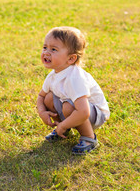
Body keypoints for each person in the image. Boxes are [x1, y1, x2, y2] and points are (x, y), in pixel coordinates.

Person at [36, 27, 110, 155]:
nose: (47, 53)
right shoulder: (53, 75)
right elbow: (41, 97)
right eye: (45, 48)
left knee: (67, 106)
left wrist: (64, 124)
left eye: (53, 49)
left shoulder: (75, 77)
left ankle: (89, 138)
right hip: (77, 109)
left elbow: (83, 111)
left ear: (71, 59)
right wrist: (42, 112)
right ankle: (63, 130)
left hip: (96, 114)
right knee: (49, 97)